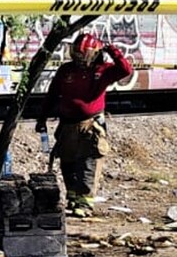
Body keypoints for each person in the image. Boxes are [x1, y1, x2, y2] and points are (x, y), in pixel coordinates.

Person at [35, 33, 133, 216]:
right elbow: (52, 94)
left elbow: (126, 70)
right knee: (68, 163)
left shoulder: (103, 70)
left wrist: (112, 50)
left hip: (91, 126)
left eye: (84, 55)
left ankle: (85, 204)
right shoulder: (66, 70)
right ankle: (73, 198)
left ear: (94, 54)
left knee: (88, 165)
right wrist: (42, 118)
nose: (80, 59)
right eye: (77, 54)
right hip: (67, 125)